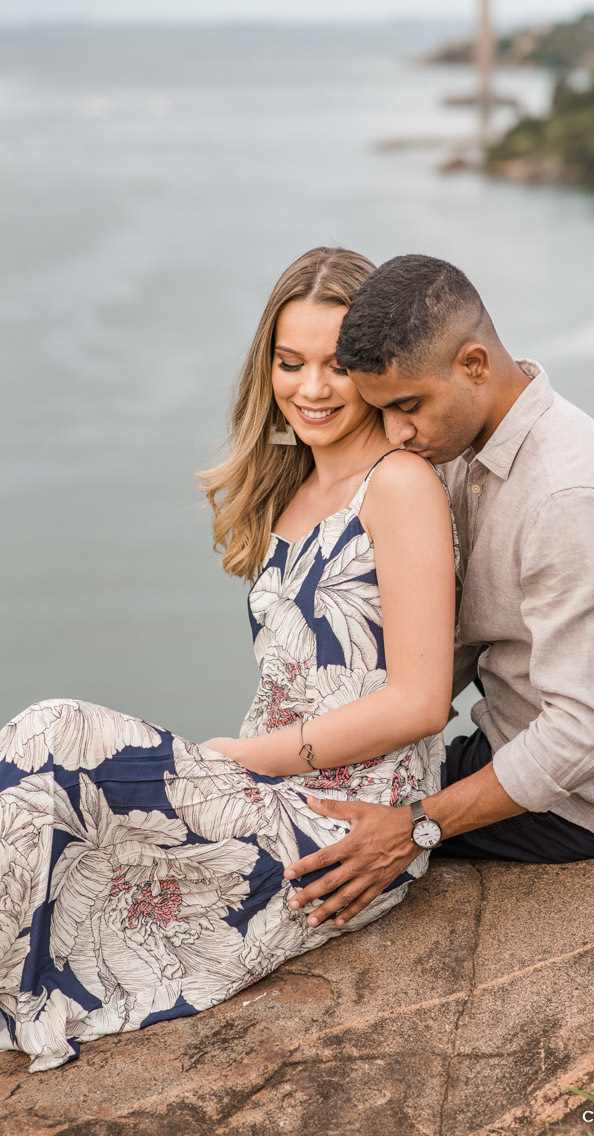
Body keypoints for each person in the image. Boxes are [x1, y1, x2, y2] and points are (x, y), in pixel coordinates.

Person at [0, 247, 458, 1072]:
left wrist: (232, 759)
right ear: (266, 367)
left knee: (50, 732)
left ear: (375, 371)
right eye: (290, 363)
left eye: (337, 366)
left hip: (344, 832)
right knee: (47, 819)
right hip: (263, 795)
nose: (311, 388)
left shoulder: (400, 484)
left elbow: (421, 702)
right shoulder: (290, 491)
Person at [280, 253, 594, 931]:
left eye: (407, 407)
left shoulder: (570, 497)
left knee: (301, 856)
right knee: (297, 796)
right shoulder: (461, 448)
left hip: (593, 805)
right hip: (506, 744)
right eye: (382, 412)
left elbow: (585, 733)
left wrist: (413, 826)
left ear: (473, 364)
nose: (395, 435)